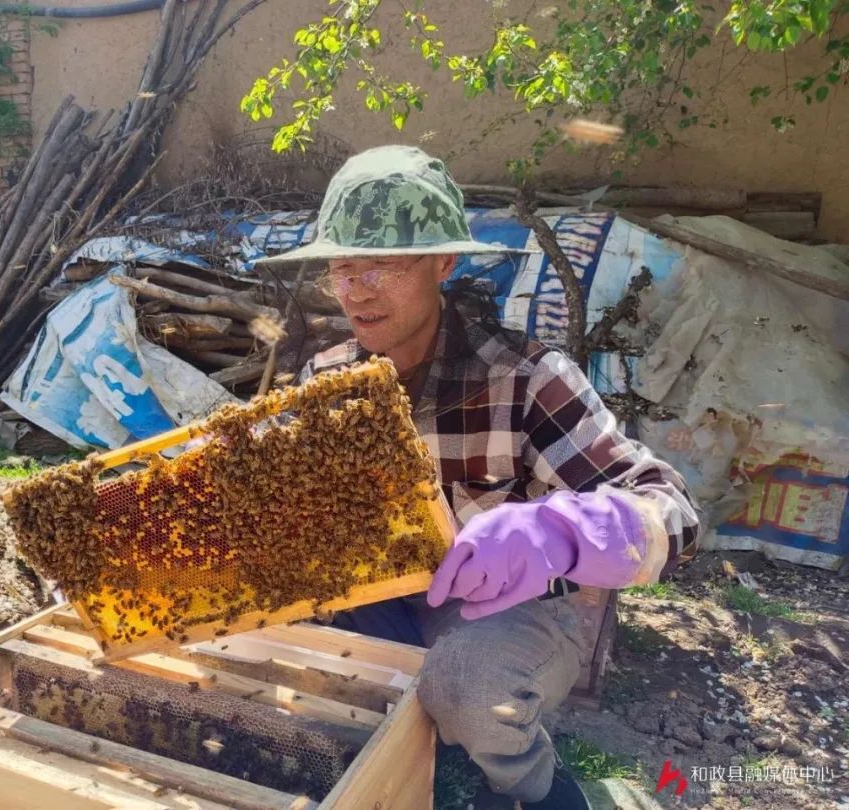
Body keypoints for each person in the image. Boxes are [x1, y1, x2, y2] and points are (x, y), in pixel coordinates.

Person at [257, 146, 700, 809]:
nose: (356, 289)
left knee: (465, 684)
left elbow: (673, 514)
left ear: (445, 262)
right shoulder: (328, 380)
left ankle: (537, 790)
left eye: (383, 263)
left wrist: (560, 532)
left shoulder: (525, 378)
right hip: (373, 599)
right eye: (343, 266)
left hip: (501, 616)